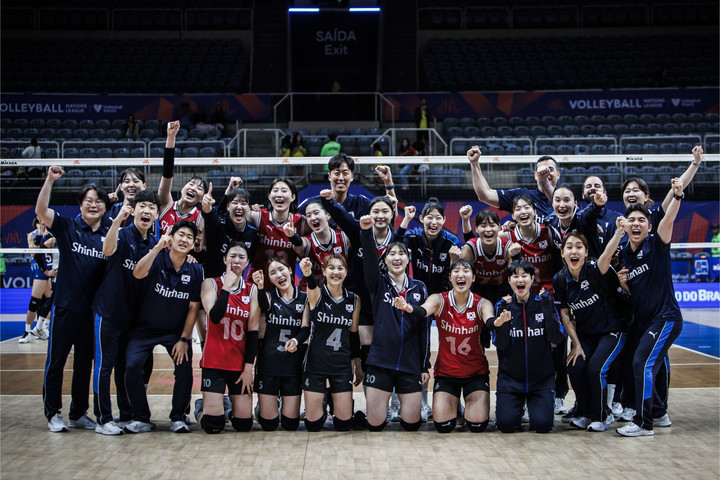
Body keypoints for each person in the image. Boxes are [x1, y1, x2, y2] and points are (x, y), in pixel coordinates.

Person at [36, 166, 111, 433]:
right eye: (88, 200)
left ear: (105, 207)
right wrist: (49, 180)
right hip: (66, 306)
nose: (93, 205)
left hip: (92, 312)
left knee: (84, 364)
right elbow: (41, 211)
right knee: (56, 361)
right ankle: (52, 413)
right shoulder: (67, 226)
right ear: (80, 205)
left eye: (98, 201)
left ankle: (78, 413)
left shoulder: (109, 233)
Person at [612, 178, 686, 437]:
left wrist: (677, 196)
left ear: (649, 226)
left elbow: (669, 220)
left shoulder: (657, 243)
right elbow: (634, 294)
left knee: (642, 362)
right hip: (645, 322)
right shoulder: (624, 254)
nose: (636, 224)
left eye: (642, 220)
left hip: (666, 318)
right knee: (644, 364)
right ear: (625, 225)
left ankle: (644, 423)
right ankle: (658, 413)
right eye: (631, 220)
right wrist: (624, 286)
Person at [394, 259, 494, 434]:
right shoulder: (439, 299)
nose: (461, 274)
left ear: (473, 278)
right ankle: (456, 407)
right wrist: (408, 307)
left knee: (477, 426)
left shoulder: (482, 303)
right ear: (450, 277)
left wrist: (498, 322)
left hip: (475, 373)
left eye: (466, 271)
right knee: (443, 426)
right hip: (447, 374)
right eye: (456, 271)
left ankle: (466, 404)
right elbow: (423, 311)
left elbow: (490, 320)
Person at [91, 189, 161, 435]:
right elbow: (107, 250)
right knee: (104, 366)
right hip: (109, 312)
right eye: (142, 206)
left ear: (156, 214)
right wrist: (116, 221)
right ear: (134, 210)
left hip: (131, 319)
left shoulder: (154, 244)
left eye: (152, 207)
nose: (147, 211)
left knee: (123, 367)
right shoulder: (121, 234)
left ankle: (126, 413)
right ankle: (103, 419)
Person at [124, 220, 204, 434]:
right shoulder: (156, 258)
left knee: (184, 367)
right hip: (144, 329)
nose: (184, 239)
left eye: (189, 237)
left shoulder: (196, 270)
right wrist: (158, 247)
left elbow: (193, 308)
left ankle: (178, 416)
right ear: (171, 237)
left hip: (174, 332)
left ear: (193, 244)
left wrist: (184, 339)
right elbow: (137, 273)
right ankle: (141, 417)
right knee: (132, 366)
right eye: (181, 235)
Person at [359, 215, 430, 432]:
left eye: (401, 253)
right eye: (392, 254)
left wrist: (424, 365)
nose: (397, 257)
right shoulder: (378, 283)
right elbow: (369, 257)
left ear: (408, 259)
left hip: (410, 364)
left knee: (412, 425)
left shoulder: (419, 288)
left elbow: (424, 329)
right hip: (380, 362)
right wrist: (366, 231)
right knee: (375, 425)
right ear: (386, 260)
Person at [552, 231, 628, 432]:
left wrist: (619, 234)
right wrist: (576, 344)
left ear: (586, 252)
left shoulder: (595, 269)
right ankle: (585, 412)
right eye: (569, 247)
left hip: (612, 331)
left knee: (596, 368)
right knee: (575, 365)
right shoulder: (560, 279)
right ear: (562, 253)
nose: (574, 251)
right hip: (586, 335)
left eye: (579, 247)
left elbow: (607, 255)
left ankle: (602, 415)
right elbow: (565, 315)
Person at [489, 260, 566, 433]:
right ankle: (518, 407)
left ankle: (534, 406)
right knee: (506, 425)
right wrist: (504, 322)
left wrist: (547, 308)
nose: (520, 280)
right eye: (515, 276)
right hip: (510, 381)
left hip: (541, 380)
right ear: (509, 281)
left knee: (543, 425)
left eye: (524, 275)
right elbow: (501, 344)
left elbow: (557, 338)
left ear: (532, 278)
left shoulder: (544, 303)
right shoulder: (502, 306)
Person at [292, 256, 363, 432]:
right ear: (324, 271)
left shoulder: (354, 300)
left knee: (344, 425)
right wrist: (307, 272)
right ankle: (323, 399)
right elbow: (311, 286)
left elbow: (354, 334)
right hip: (316, 363)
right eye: (331, 268)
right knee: (313, 425)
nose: (336, 272)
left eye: (340, 268)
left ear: (346, 272)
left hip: (341, 364)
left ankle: (333, 397)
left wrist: (358, 365)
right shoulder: (316, 295)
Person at [195, 243, 259, 434]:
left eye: (241, 257)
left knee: (243, 425)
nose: (236, 261)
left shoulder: (252, 290)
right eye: (232, 256)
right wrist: (227, 287)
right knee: (213, 426)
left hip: (238, 363)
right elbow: (215, 316)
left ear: (247, 262)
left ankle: (227, 406)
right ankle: (201, 407)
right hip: (214, 362)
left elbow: (253, 332)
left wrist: (249, 367)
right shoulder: (210, 284)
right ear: (224, 259)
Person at [252, 260, 308, 431]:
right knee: (269, 425)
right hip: (269, 364)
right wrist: (260, 286)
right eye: (273, 273)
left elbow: (305, 329)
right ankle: (263, 407)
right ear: (270, 278)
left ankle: (278, 403)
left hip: (292, 365)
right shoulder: (269, 296)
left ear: (290, 270)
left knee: (291, 424)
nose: (279, 275)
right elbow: (264, 305)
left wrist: (296, 341)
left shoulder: (304, 298)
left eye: (281, 269)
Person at [468, 146, 559, 220]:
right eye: (542, 170)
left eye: (550, 169)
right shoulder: (522, 195)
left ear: (558, 174)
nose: (546, 173)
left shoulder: (564, 198)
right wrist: (474, 164)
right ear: (535, 175)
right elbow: (485, 195)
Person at [245, 177, 305, 279]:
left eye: (284, 191)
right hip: (257, 281)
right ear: (269, 196)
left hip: (284, 282)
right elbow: (233, 213)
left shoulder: (302, 222)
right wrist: (249, 207)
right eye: (275, 190)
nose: (279, 194)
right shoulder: (258, 216)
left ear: (293, 197)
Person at [283, 199, 350, 289]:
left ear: (328, 215)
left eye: (316, 213)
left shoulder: (344, 237)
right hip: (309, 292)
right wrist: (291, 236)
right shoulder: (307, 242)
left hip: (336, 292)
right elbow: (299, 244)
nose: (313, 218)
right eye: (308, 215)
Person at [158, 121, 207, 235]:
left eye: (199, 188)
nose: (193, 188)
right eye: (191, 184)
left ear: (201, 199)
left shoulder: (200, 219)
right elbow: (167, 173)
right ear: (182, 189)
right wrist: (171, 137)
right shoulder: (166, 204)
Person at [200, 181, 258, 278]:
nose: (239, 207)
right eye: (235, 202)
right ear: (228, 206)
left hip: (236, 283)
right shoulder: (219, 224)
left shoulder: (253, 233)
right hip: (212, 280)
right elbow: (209, 215)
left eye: (244, 203)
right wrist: (206, 206)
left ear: (249, 208)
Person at [459, 207, 511, 305]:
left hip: (503, 291)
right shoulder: (470, 248)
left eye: (492, 225)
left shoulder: (508, 246)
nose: (488, 229)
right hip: (477, 292)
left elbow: (514, 276)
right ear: (476, 229)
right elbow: (462, 278)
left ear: (499, 227)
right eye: (483, 226)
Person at [19, 218, 56, 343]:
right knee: (34, 301)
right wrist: (39, 236)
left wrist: (47, 235)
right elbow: (33, 254)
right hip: (41, 270)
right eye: (39, 219)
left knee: (53, 301)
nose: (42, 221)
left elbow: (55, 243)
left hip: (53, 269)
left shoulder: (52, 233)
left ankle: (42, 327)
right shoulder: (32, 235)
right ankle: (27, 332)